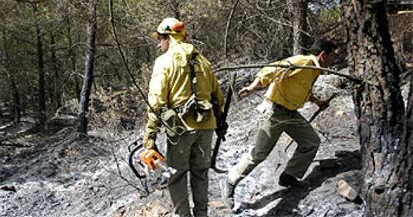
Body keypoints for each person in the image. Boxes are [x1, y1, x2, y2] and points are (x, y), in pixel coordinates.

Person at [222, 39, 336, 208]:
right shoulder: (303, 62)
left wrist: (317, 101)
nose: (333, 59)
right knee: (259, 154)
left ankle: (288, 177)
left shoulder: (314, 71)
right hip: (274, 111)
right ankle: (230, 182)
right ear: (323, 55)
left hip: (291, 113)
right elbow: (272, 69)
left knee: (311, 142)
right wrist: (252, 87)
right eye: (332, 55)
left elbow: (302, 88)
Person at [143, 17, 224, 217]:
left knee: (177, 176)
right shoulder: (203, 61)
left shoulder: (164, 62)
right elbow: (218, 97)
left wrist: (150, 136)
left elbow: (156, 101)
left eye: (160, 39)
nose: (158, 43)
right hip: (206, 127)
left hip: (181, 130)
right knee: (200, 173)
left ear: (169, 37)